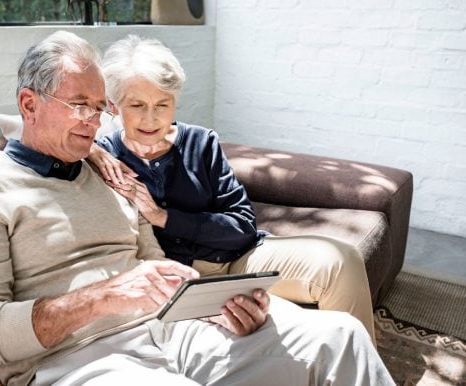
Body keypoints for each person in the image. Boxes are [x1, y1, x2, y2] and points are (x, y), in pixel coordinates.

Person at [0, 31, 394, 386]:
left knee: (339, 337)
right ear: (29, 104)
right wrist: (105, 296)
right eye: (79, 106)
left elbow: (155, 264)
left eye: (99, 108)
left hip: (174, 329)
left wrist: (212, 306)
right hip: (77, 361)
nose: (95, 123)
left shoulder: (110, 177)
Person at [88, 34, 377, 341]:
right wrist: (93, 150)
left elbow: (243, 227)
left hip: (242, 258)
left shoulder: (201, 143)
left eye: (163, 104)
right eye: (137, 105)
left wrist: (163, 217)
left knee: (340, 260)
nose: (151, 118)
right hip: (184, 279)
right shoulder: (104, 158)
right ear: (113, 106)